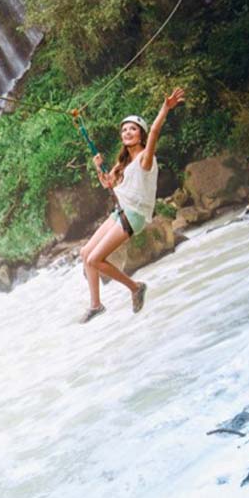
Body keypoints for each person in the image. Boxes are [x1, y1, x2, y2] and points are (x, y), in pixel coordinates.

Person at [78, 88, 185, 323]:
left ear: (141, 135)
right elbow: (108, 183)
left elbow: (155, 131)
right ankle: (96, 305)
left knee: (95, 259)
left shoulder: (145, 159)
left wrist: (165, 108)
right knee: (86, 254)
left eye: (133, 129)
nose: (127, 132)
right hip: (120, 213)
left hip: (134, 216)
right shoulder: (122, 163)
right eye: (124, 129)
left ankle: (135, 287)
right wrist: (98, 166)